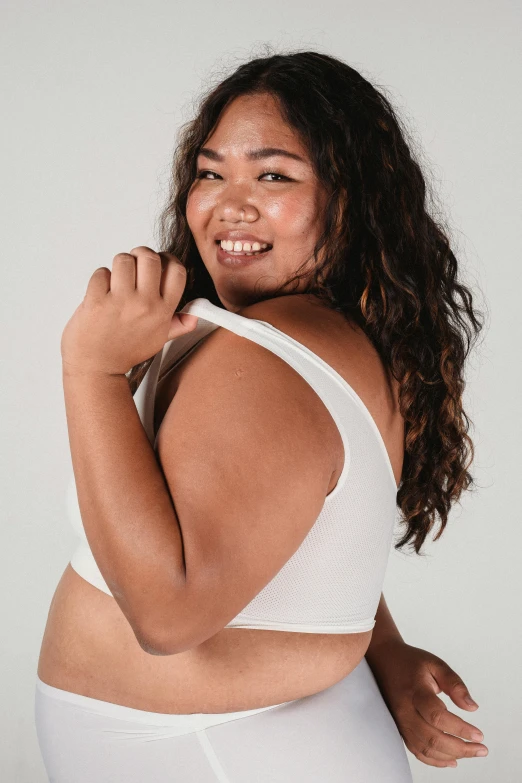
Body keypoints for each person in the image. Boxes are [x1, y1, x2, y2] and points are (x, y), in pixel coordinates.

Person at [35, 50, 486, 781]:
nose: (230, 203)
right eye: (211, 172)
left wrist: (90, 370)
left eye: (274, 175)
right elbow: (291, 538)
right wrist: (385, 646)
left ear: (354, 199)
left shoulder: (265, 361)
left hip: (228, 754)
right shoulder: (314, 336)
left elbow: (169, 616)